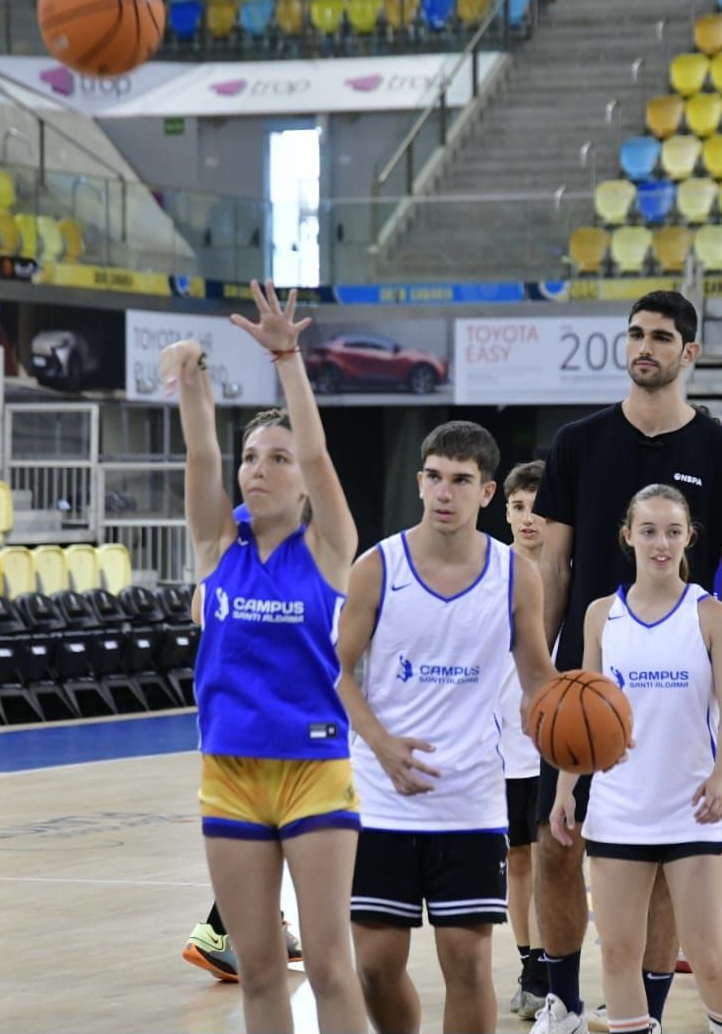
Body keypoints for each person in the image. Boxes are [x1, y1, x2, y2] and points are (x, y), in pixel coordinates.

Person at [532, 290, 722, 1034]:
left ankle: (646, 1008)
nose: (644, 346)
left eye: (662, 336)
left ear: (689, 352)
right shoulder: (577, 443)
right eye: (636, 333)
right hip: (588, 684)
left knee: (673, 867)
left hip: (685, 687)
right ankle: (561, 1000)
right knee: (555, 844)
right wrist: (539, 682)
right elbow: (551, 567)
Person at [162, 281, 368, 1034]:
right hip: (230, 773)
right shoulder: (219, 547)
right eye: (253, 457)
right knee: (256, 969)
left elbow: (315, 449)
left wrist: (287, 360)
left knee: (329, 965)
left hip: (314, 770)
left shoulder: (329, 548)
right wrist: (192, 377)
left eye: (277, 459)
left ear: (304, 484)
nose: (260, 468)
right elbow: (200, 453)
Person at [332, 421, 559, 1034]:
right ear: (418, 482)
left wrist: (574, 730)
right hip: (382, 795)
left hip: (470, 795)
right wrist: (381, 745)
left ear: (485, 492)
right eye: (434, 477)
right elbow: (336, 672)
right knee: (376, 967)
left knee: (467, 963)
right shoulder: (377, 567)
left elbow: (538, 679)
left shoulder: (515, 575)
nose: (444, 492)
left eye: (460, 480)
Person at [550, 484, 722, 1034]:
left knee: (708, 955)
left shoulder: (713, 616)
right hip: (618, 806)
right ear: (628, 536)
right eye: (649, 531)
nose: (661, 543)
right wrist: (566, 790)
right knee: (618, 953)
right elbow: (582, 713)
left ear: (689, 538)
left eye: (672, 532)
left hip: (694, 806)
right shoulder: (600, 615)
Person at [182, 504, 306, 982]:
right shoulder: (259, 527)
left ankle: (268, 921)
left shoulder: (242, 543)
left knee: (268, 827)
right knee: (267, 831)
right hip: (256, 718)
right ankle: (216, 932)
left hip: (236, 717)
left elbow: (199, 610)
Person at [502, 460, 552, 1018]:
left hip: (557, 743)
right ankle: (530, 965)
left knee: (551, 861)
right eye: (518, 507)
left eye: (537, 507)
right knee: (518, 860)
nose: (528, 518)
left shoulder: (569, 572)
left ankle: (548, 967)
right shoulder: (490, 572)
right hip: (502, 745)